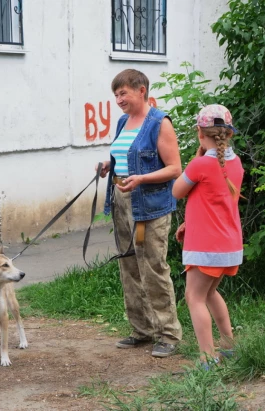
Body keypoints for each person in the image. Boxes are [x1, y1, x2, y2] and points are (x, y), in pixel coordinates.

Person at [96, 69, 183, 358]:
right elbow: (125, 155)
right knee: (129, 267)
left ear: (142, 90)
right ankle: (142, 330)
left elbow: (174, 169)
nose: (119, 99)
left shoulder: (159, 122)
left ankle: (168, 334)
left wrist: (141, 179)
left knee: (153, 267)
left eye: (124, 93)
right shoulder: (123, 121)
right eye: (116, 94)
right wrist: (111, 166)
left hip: (149, 206)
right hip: (121, 202)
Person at [172, 104, 244, 367]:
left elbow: (177, 191)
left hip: (206, 247)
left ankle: (207, 356)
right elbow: (215, 203)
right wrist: (189, 223)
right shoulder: (236, 164)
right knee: (210, 293)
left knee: (194, 297)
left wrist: (197, 157)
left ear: (200, 133)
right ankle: (229, 346)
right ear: (229, 134)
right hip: (229, 245)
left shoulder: (201, 164)